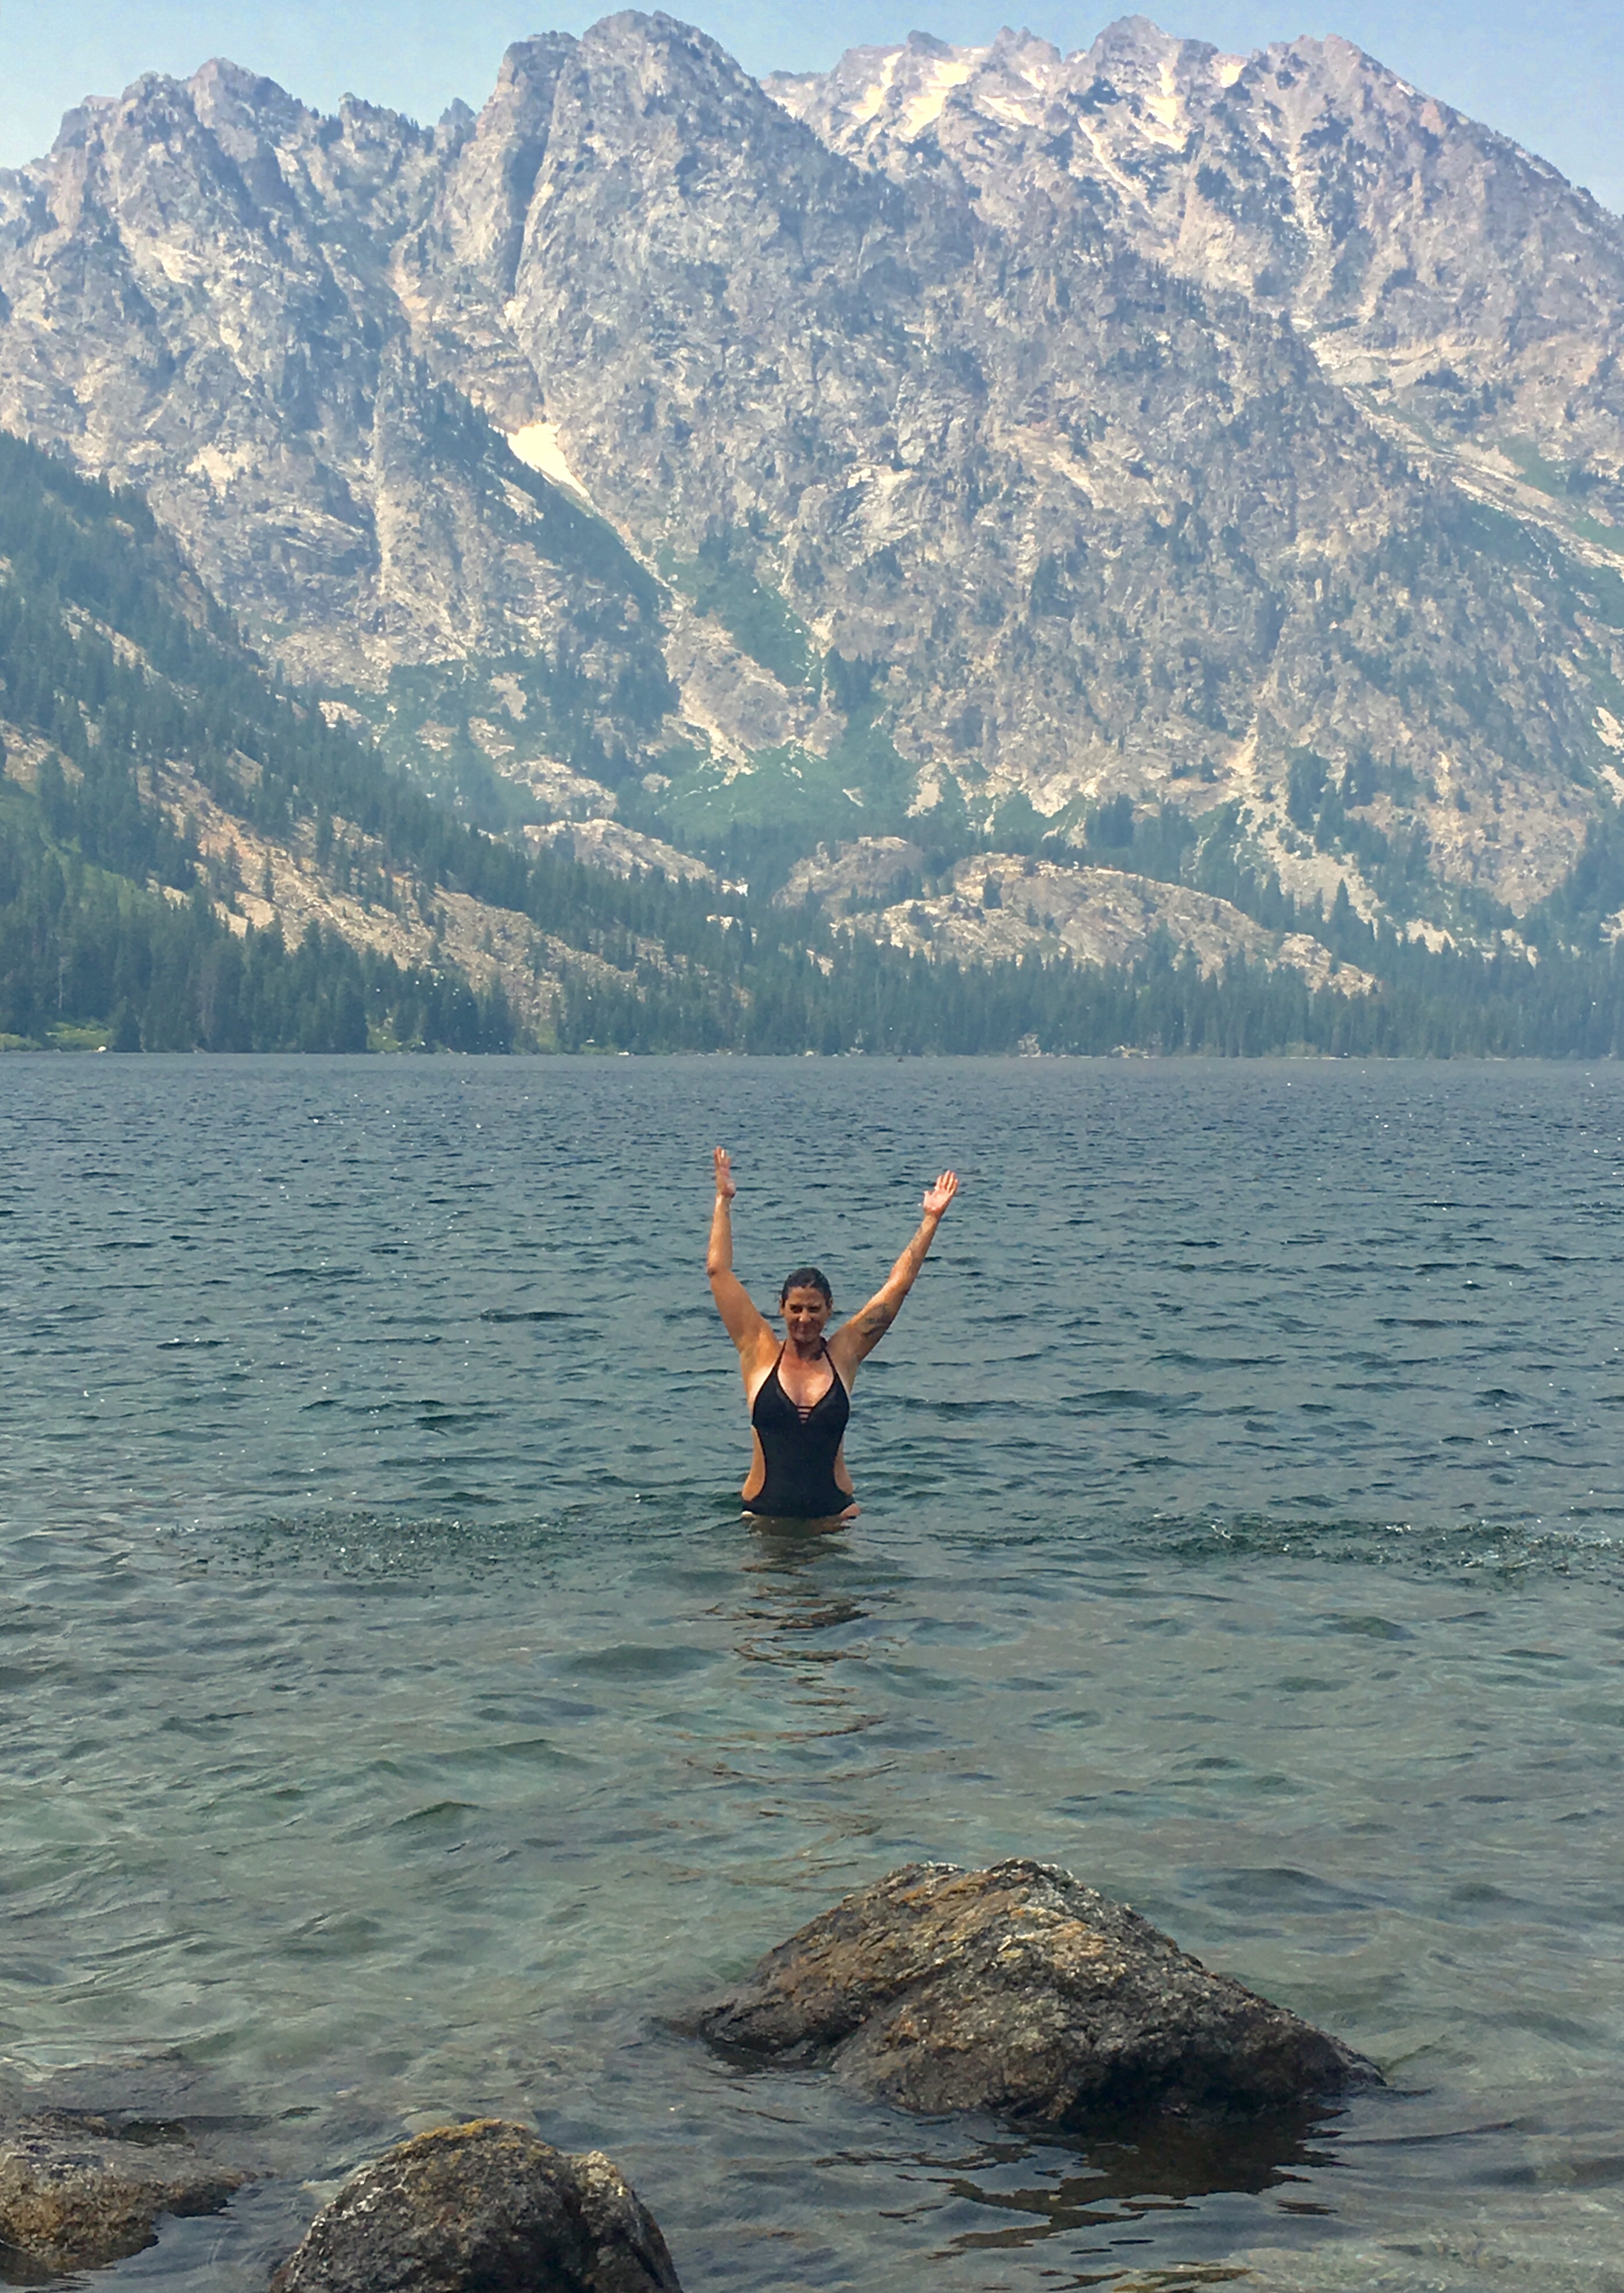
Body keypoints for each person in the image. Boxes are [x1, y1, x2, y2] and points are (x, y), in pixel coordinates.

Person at [706, 1146, 960, 1521]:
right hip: (764, 1520)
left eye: (814, 1309)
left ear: (829, 1310)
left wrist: (931, 1220)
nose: (804, 1319)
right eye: (796, 1309)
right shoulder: (758, 1350)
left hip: (835, 1520)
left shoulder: (844, 1353)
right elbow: (718, 1272)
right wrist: (723, 1201)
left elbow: (898, 1287)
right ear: (781, 1308)